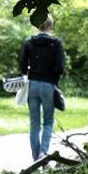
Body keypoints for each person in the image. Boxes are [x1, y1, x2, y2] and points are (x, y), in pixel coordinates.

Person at [19, 14, 65, 161]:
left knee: (34, 123)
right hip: (48, 85)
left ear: (37, 25)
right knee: (48, 121)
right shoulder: (56, 43)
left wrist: (31, 71)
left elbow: (22, 67)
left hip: (32, 85)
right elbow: (60, 67)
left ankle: (35, 158)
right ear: (50, 26)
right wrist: (53, 77)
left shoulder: (28, 42)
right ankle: (43, 153)